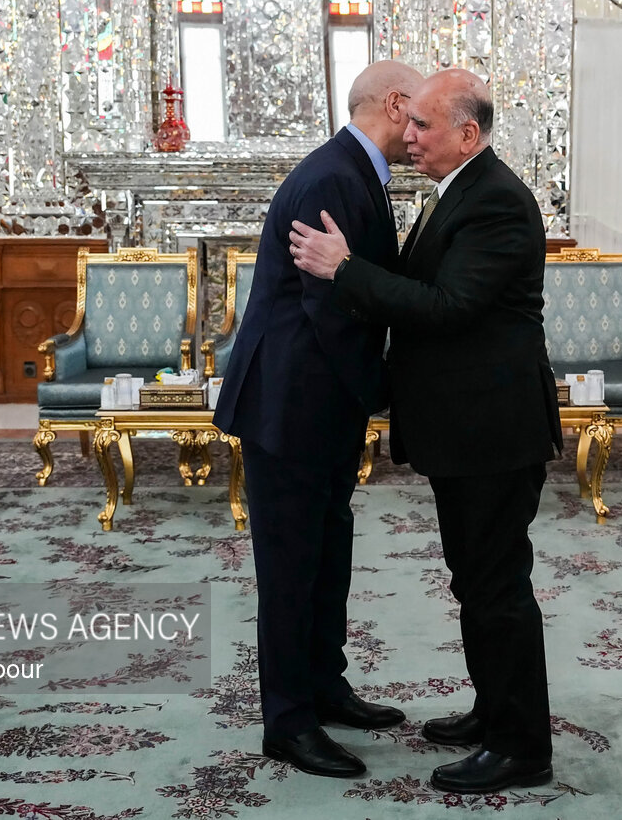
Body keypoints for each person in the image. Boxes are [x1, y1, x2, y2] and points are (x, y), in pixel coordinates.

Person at [289, 68, 563, 794]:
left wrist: (344, 270)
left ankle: (520, 747)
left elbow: (447, 307)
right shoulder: (460, 190)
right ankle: (495, 710)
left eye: (424, 125)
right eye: (407, 122)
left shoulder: (496, 200)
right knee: (476, 579)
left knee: (497, 586)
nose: (408, 135)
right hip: (466, 428)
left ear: (467, 134)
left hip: (493, 430)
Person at [213, 60, 424, 779]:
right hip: (291, 404)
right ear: (394, 104)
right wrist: (383, 388)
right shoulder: (333, 177)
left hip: (317, 402)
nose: (419, 130)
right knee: (291, 564)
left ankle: (325, 687)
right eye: (417, 114)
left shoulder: (353, 171)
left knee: (327, 551)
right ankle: (288, 721)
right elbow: (328, 308)